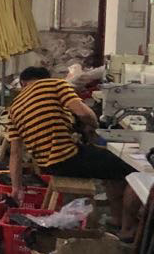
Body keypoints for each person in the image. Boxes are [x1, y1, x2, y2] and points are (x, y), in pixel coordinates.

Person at [7, 65, 140, 237]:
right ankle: (128, 229)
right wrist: (96, 126)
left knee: (110, 165)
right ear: (46, 78)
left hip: (48, 166)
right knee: (134, 170)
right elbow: (84, 113)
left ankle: (117, 219)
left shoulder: (14, 107)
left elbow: (15, 154)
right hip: (69, 158)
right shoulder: (55, 84)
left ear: (22, 83)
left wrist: (16, 188)